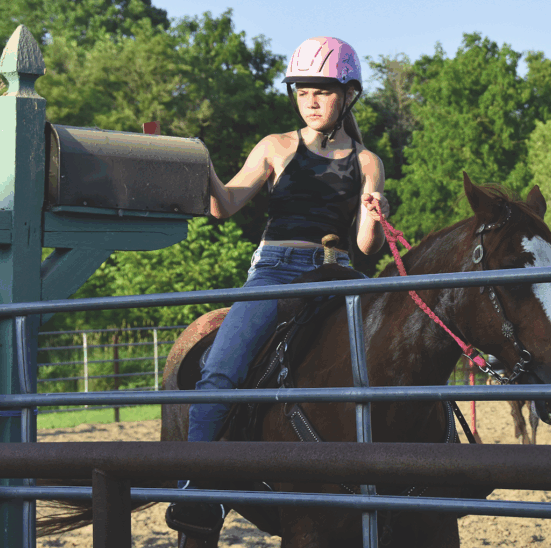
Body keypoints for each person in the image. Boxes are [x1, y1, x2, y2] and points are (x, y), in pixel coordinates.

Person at [166, 37, 389, 539]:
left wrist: (377, 212)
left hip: (338, 271)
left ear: (348, 95)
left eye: (323, 92)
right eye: (302, 91)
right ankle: (198, 492)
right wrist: (201, 162)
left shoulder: (367, 161)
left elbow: (367, 245)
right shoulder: (274, 147)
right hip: (276, 270)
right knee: (220, 374)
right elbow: (223, 205)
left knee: (390, 353)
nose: (311, 101)